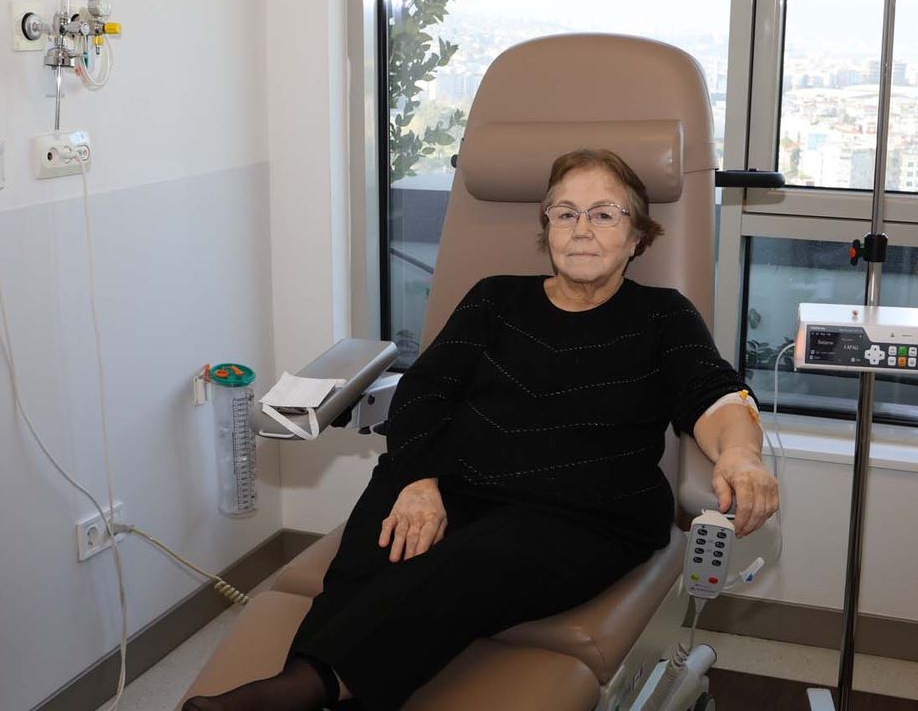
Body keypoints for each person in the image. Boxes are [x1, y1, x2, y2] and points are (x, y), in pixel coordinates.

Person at [185, 149, 779, 711]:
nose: (581, 229)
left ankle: (293, 692)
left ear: (637, 236)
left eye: (604, 214)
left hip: (580, 511)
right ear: (546, 229)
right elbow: (426, 392)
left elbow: (714, 395)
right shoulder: (495, 299)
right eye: (565, 213)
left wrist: (741, 455)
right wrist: (418, 480)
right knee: (369, 563)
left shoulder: (663, 316)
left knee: (470, 565)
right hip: (449, 480)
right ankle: (306, 693)